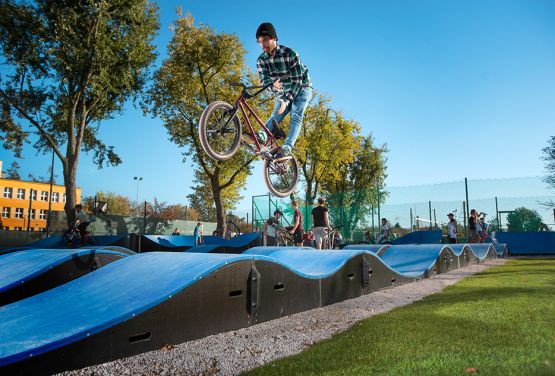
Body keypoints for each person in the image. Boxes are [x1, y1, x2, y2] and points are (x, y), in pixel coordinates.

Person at [255, 22, 312, 161]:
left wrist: (287, 101)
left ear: (274, 38)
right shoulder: (261, 61)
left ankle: (287, 148)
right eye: (260, 41)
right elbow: (265, 82)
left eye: (266, 40)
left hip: (302, 87)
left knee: (296, 114)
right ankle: (263, 135)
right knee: (277, 113)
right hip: (284, 90)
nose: (263, 44)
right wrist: (273, 88)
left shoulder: (290, 53)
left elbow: (297, 80)